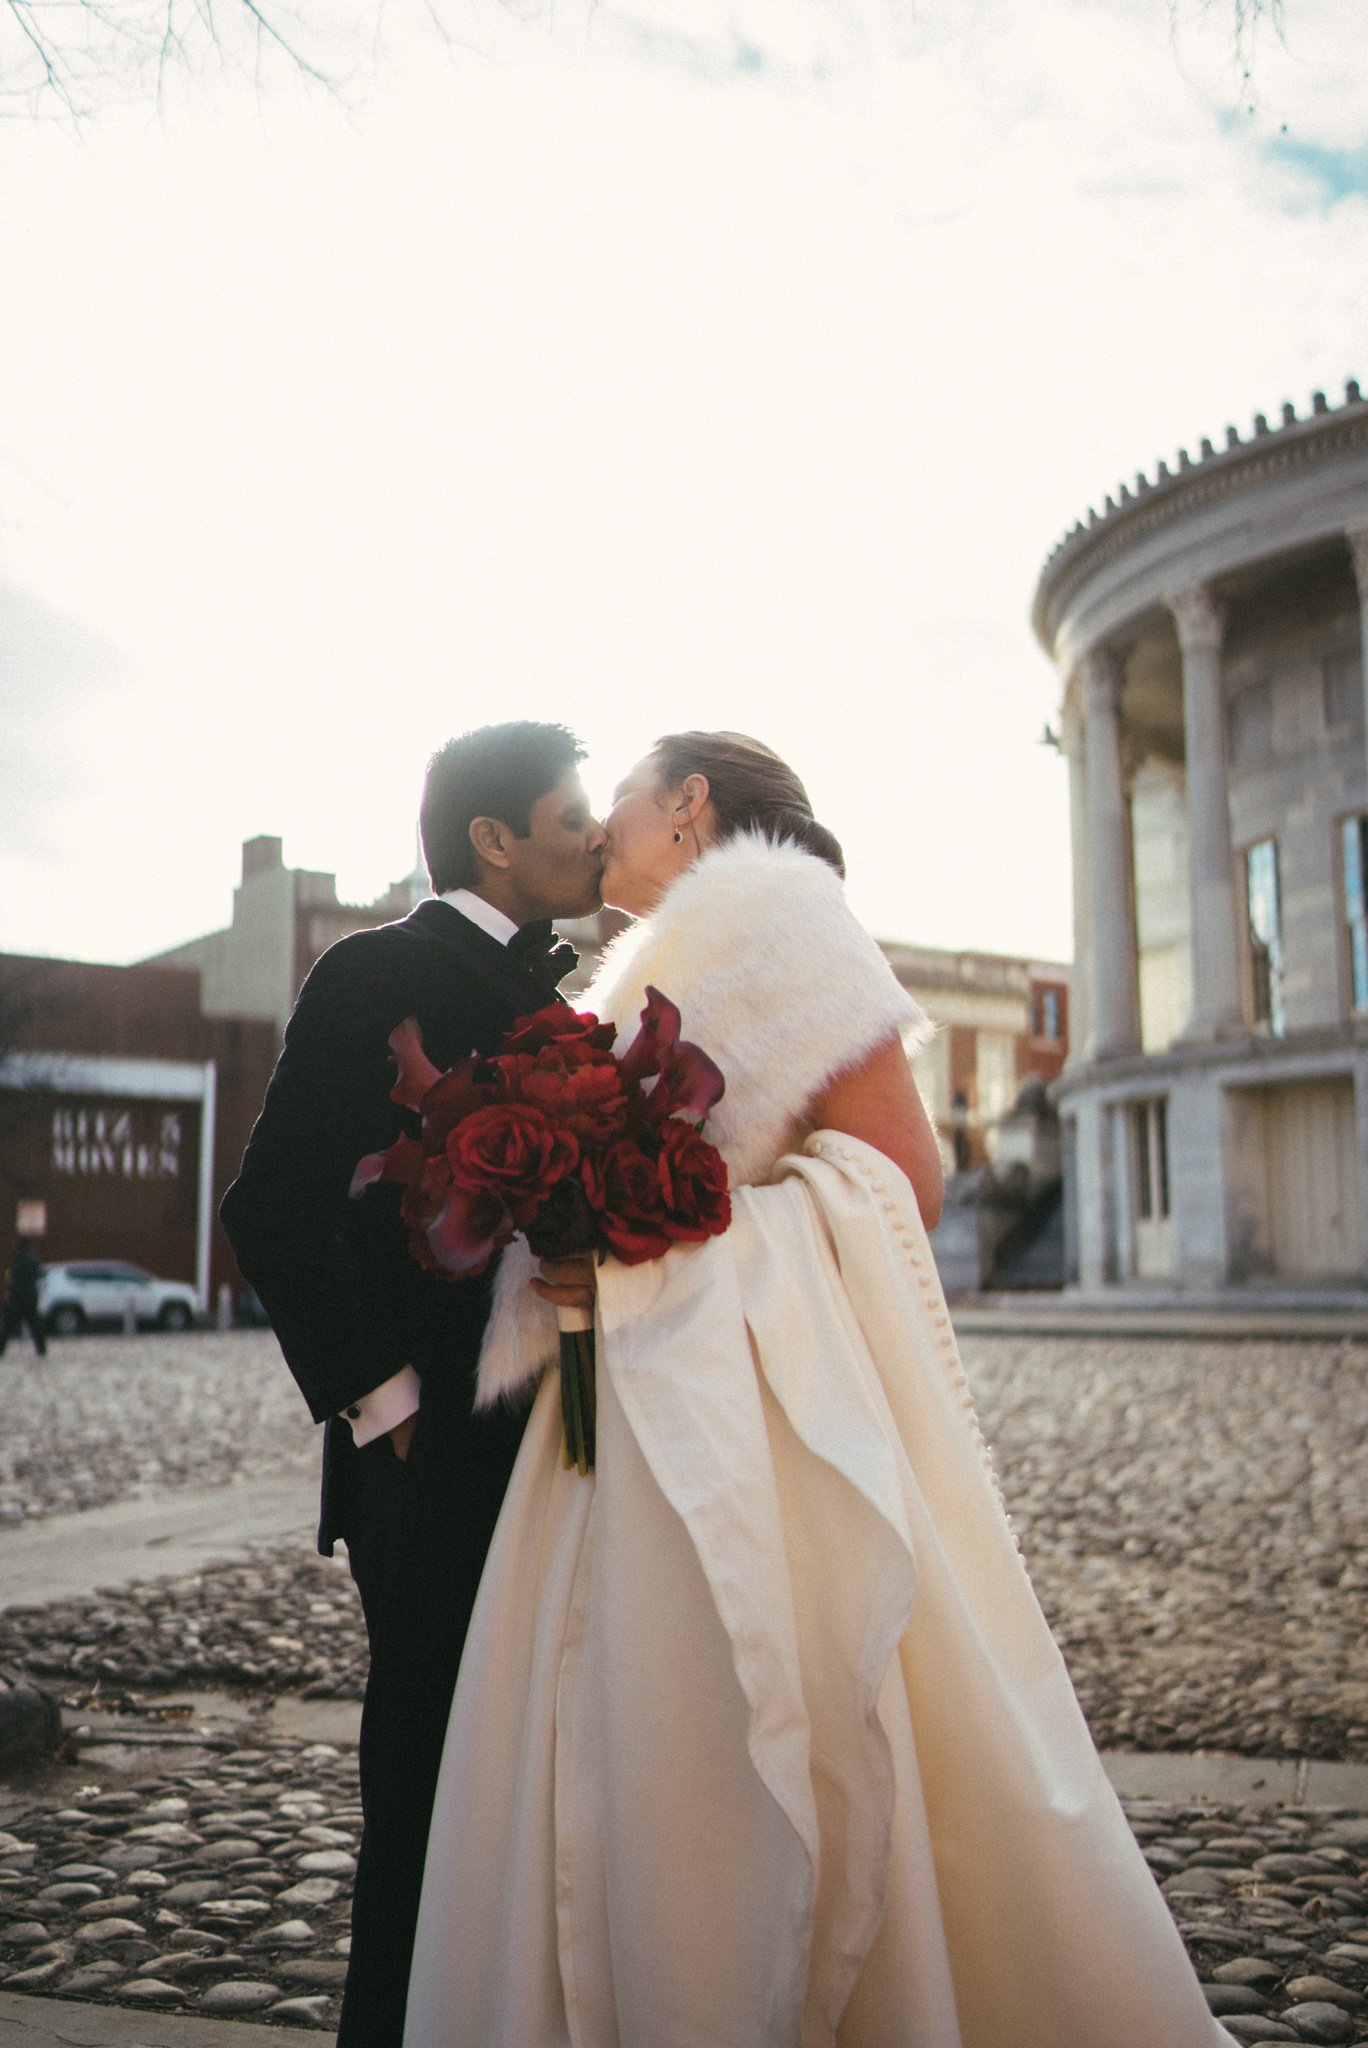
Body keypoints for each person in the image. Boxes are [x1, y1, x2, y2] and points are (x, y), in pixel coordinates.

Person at [404, 729, 1237, 2048]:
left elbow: (901, 1184)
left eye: (623, 794)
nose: (602, 822)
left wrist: (670, 1237)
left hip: (759, 1425)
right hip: (619, 1423)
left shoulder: (790, 924)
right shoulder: (634, 971)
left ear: (689, 802)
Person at [219, 722, 606, 2048]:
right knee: (428, 1786)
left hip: (555, 1452)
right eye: (570, 814)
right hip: (425, 1465)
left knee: (532, 1794)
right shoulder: (373, 971)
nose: (593, 837)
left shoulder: (568, 1005)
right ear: (493, 838)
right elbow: (270, 1207)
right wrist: (386, 1405)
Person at [0, 1237, 47, 1357]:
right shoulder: (33, 1258)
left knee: (7, 1325)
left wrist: (10, 1293)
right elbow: (38, 1274)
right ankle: (41, 1349)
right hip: (30, 1296)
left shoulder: (18, 1258)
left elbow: (14, 1278)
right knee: (35, 1325)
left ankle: (1, 1348)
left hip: (17, 1297)